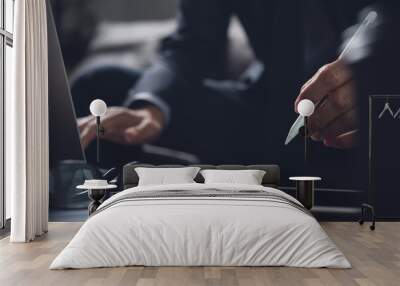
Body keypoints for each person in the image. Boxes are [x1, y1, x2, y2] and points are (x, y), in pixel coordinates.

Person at [72, 0, 400, 187]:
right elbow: (193, 44)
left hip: (381, 93)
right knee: (101, 87)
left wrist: (374, 65)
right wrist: (151, 108)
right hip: (270, 111)